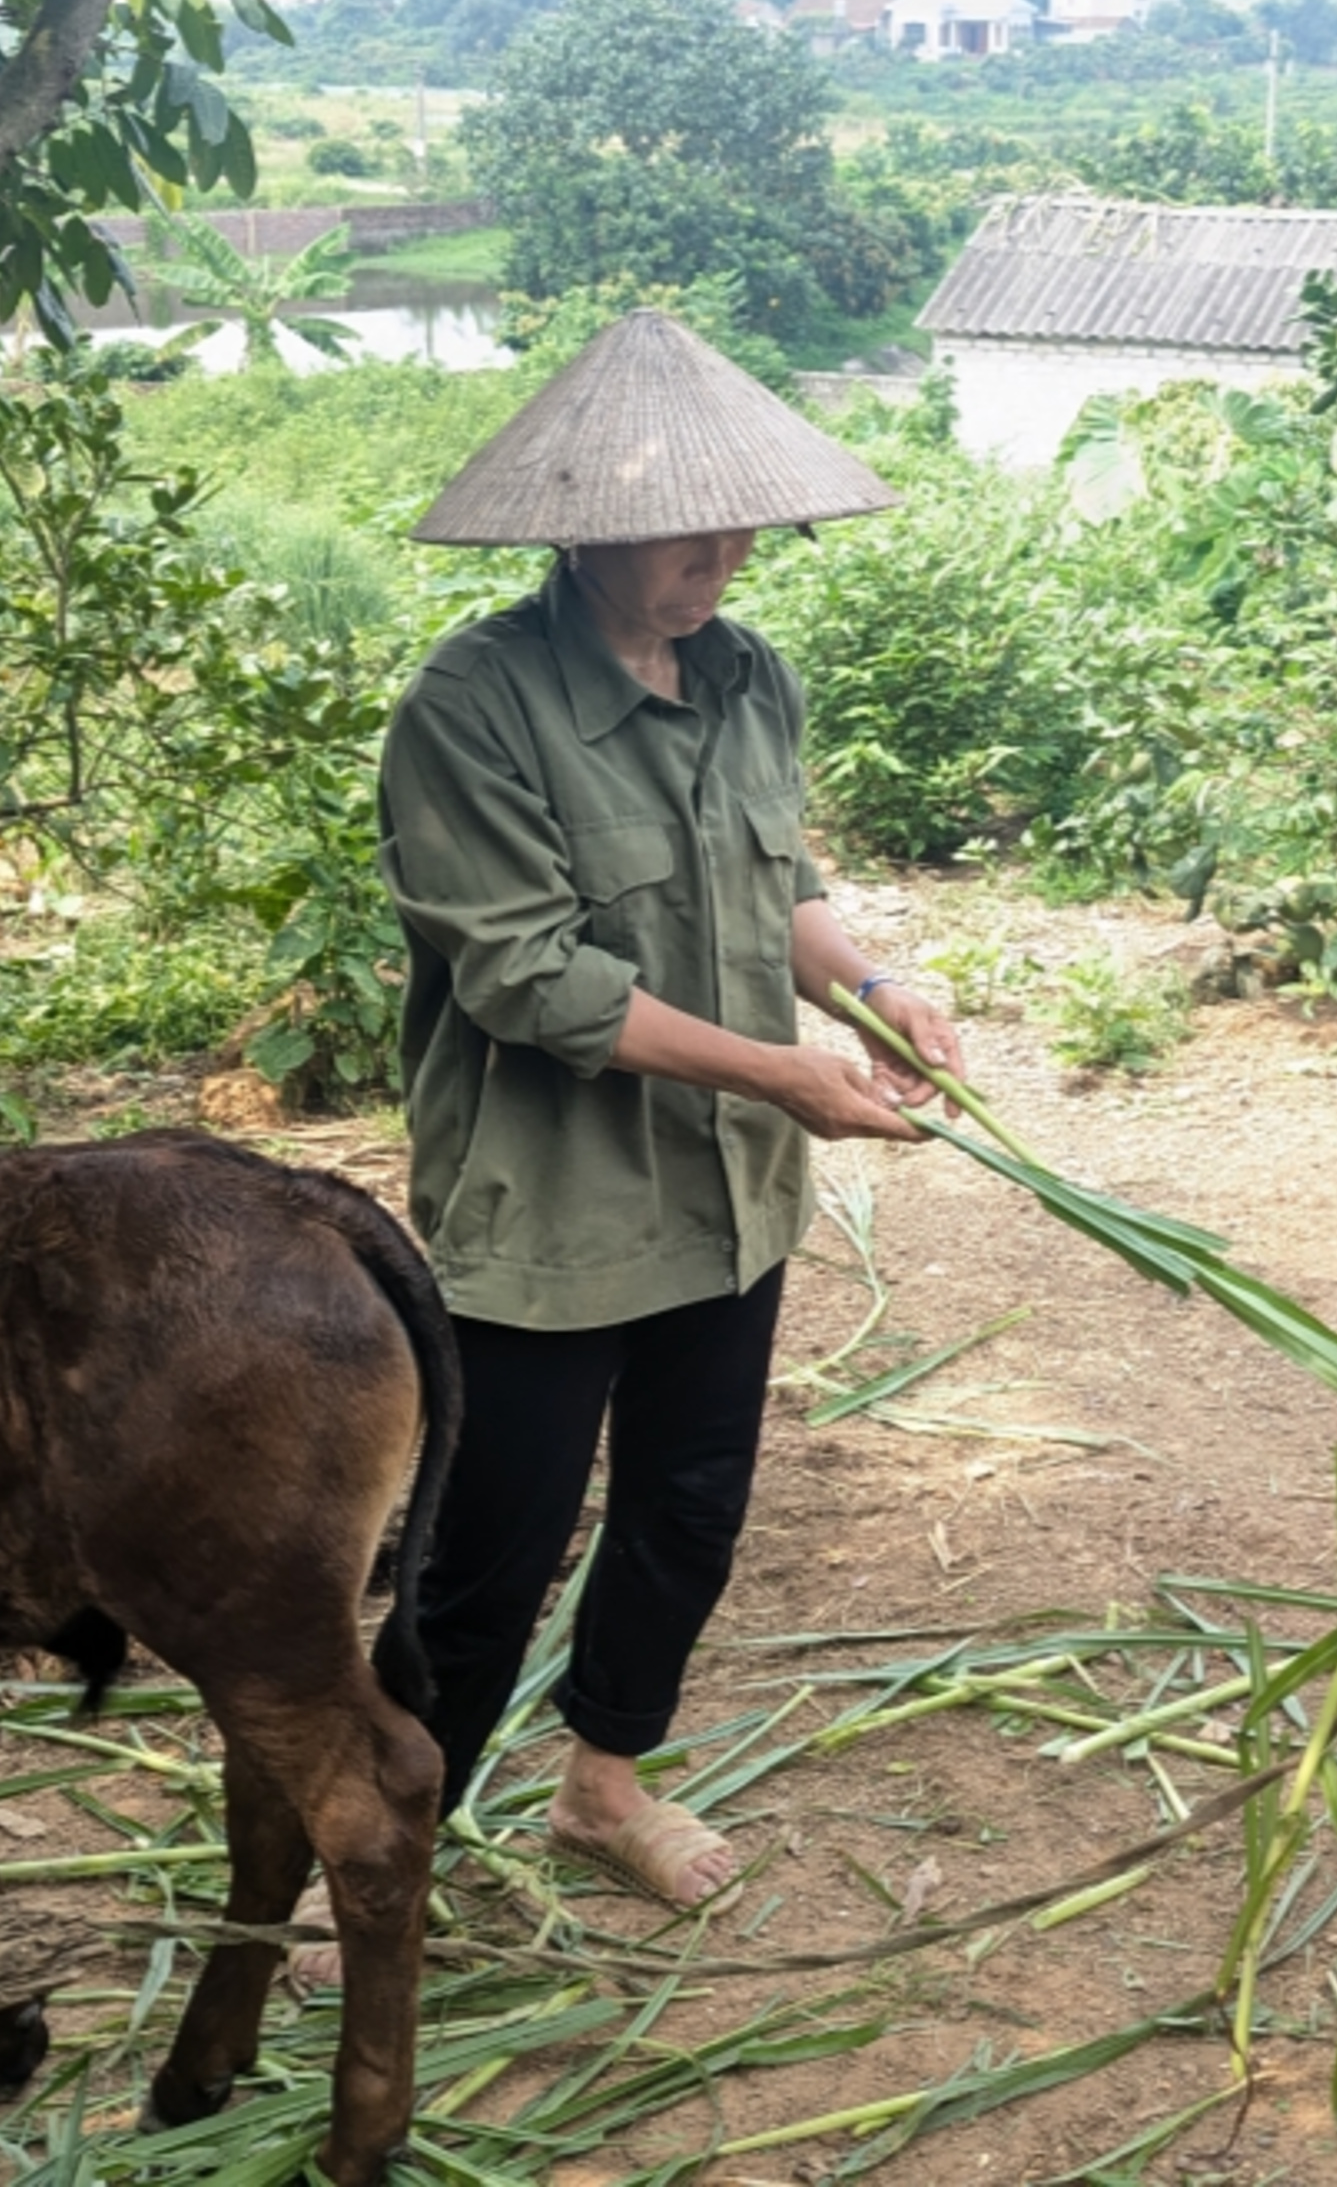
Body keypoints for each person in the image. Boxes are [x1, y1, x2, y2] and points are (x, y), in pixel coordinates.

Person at [376, 309, 964, 1908]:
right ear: (582, 530)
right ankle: (383, 1855)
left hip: (728, 1199)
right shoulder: (472, 708)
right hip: (552, 1219)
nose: (729, 553)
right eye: (685, 529)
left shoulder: (745, 675)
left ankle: (602, 1787)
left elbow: (778, 889)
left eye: (744, 518)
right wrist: (783, 1073)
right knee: (492, 1557)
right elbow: (526, 980)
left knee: (688, 1510)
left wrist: (870, 992)